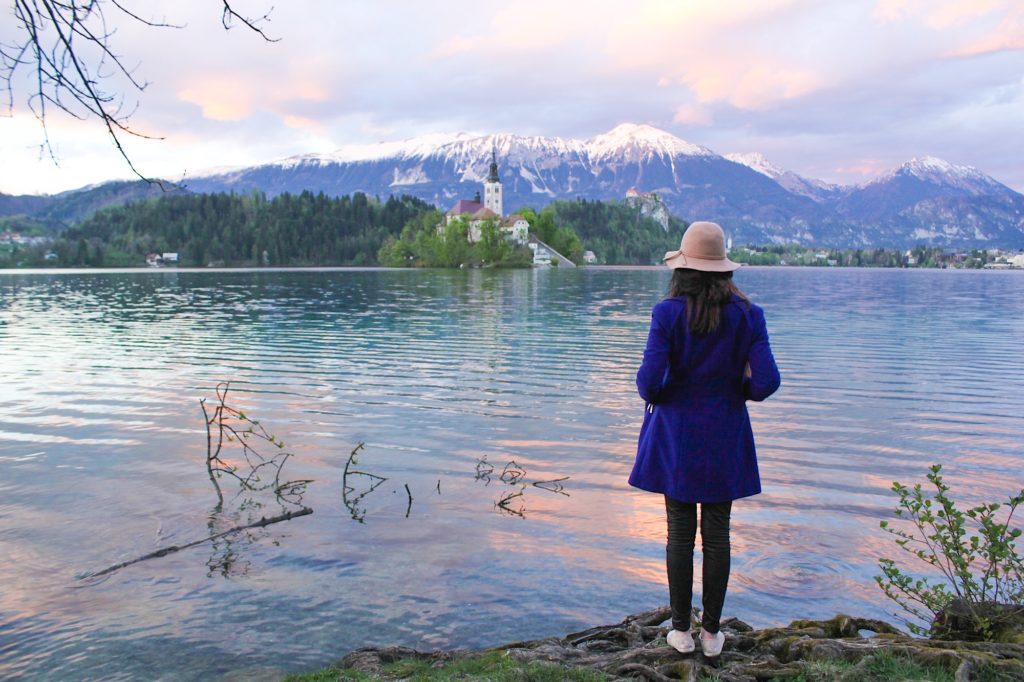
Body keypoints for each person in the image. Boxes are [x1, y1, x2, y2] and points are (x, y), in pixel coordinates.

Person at [629, 221, 780, 658]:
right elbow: (767, 381)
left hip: (676, 437)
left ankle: (680, 631)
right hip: (725, 436)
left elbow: (648, 384)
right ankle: (712, 634)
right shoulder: (749, 315)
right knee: (718, 536)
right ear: (724, 270)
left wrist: (670, 387)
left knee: (679, 534)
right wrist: (738, 389)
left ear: (683, 268)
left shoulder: (667, 312)